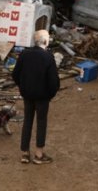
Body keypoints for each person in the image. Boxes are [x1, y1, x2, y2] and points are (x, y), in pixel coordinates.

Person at [12, 29, 60, 165]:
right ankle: (39, 154)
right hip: (42, 96)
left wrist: (23, 87)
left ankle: (25, 153)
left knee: (27, 120)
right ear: (45, 41)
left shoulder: (24, 54)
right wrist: (51, 94)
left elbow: (15, 75)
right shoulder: (48, 57)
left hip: (27, 94)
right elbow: (53, 81)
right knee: (41, 122)